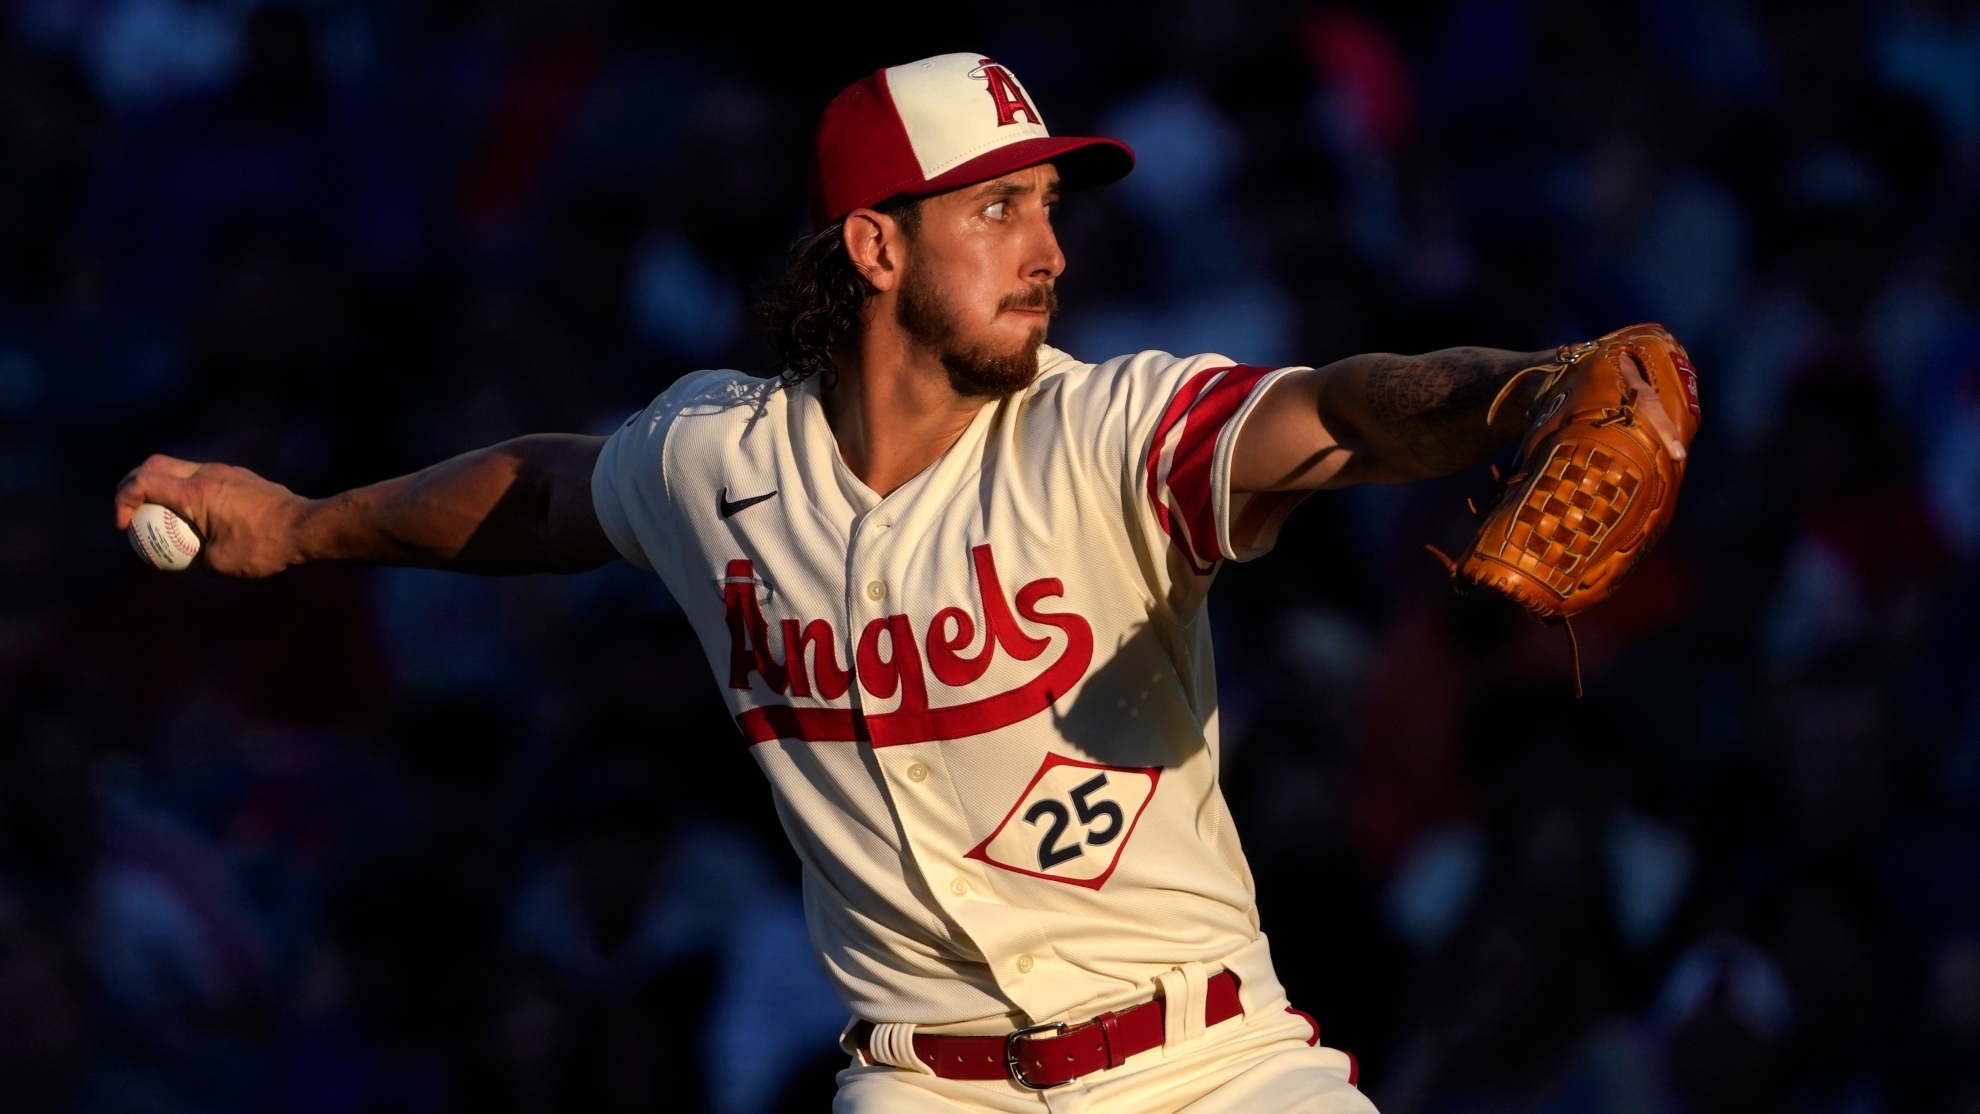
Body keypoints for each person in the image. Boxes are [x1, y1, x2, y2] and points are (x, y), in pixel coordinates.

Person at [114, 53, 1575, 1113]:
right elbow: (552, 489)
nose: (1050, 250)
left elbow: (1341, 408)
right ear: (877, 242)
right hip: (922, 1084)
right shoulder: (715, 460)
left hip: (1209, 1068)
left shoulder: (1106, 429)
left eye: (1050, 206)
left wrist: (1519, 393)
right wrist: (302, 526)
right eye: (996, 209)